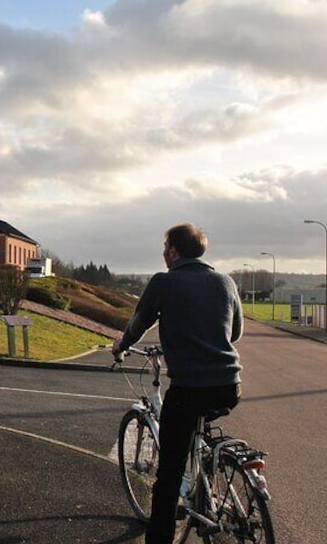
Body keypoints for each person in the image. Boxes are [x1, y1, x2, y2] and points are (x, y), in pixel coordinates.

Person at [112, 223, 243, 544]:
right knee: (199, 428)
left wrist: (121, 346)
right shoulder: (226, 282)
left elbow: (139, 323)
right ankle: (208, 483)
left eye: (165, 246)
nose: (163, 252)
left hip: (188, 389)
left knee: (168, 476)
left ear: (173, 250)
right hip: (229, 384)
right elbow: (235, 332)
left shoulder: (164, 282)